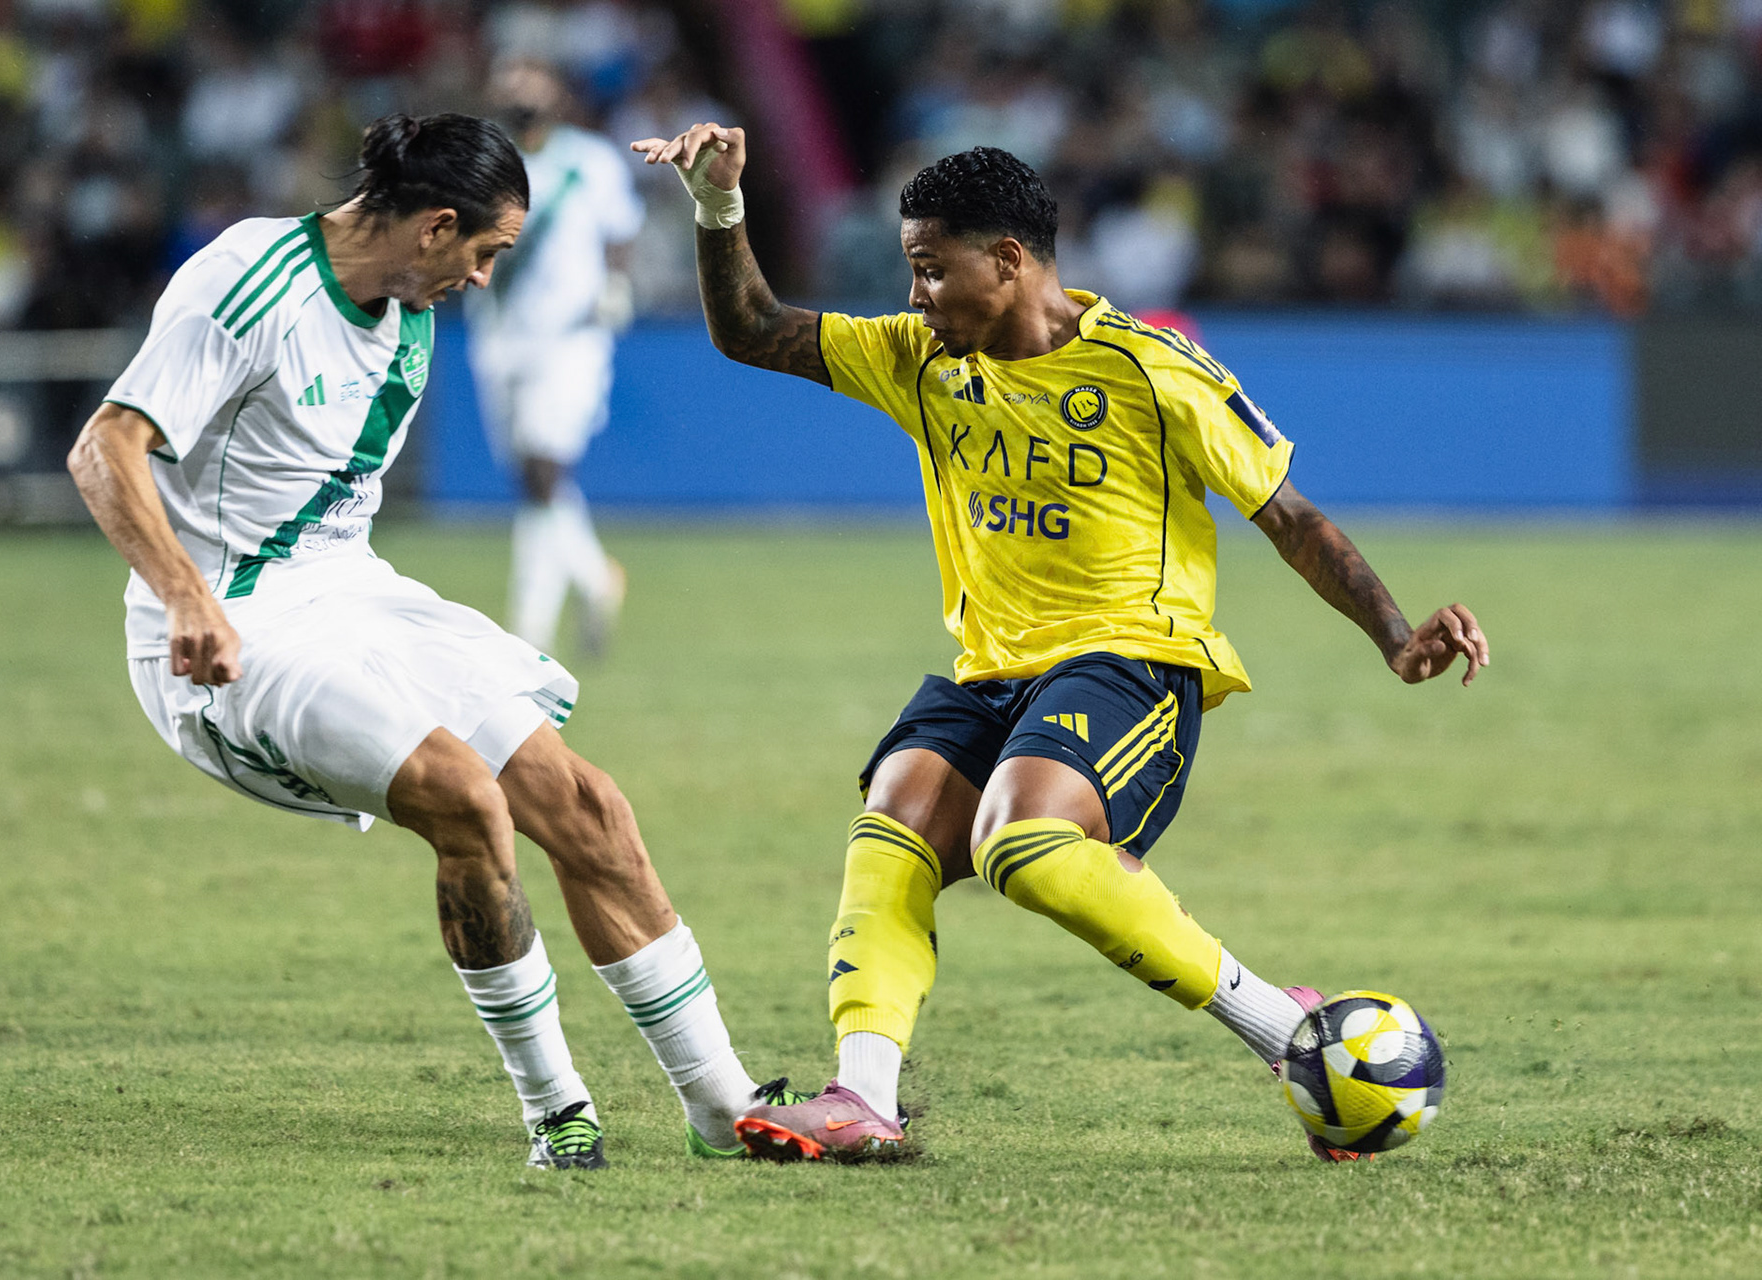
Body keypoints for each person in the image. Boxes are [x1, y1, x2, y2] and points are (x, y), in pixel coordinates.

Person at [632, 125, 1490, 1162]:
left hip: (1136, 662)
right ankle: (864, 1097)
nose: (913, 297)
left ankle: (1282, 1029)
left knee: (1017, 841)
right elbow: (752, 329)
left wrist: (1396, 637)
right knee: (890, 827)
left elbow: (1291, 517)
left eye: (927, 270)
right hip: (990, 668)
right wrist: (720, 206)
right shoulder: (921, 360)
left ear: (1007, 260)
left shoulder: (1152, 369)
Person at [67, 112, 796, 1171]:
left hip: (348, 593)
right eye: (487, 254)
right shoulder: (250, 281)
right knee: (465, 793)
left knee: (589, 806)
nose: (486, 281)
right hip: (230, 627)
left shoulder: (406, 310)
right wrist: (185, 595)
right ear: (434, 226)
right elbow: (105, 448)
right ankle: (557, 1109)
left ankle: (725, 1109)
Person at [467, 60, 642, 654]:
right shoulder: (486, 165)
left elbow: (620, 233)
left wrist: (616, 287)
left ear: (557, 96)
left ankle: (529, 630)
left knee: (545, 468)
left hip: (571, 336)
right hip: (498, 333)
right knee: (530, 480)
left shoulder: (589, 161)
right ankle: (595, 578)